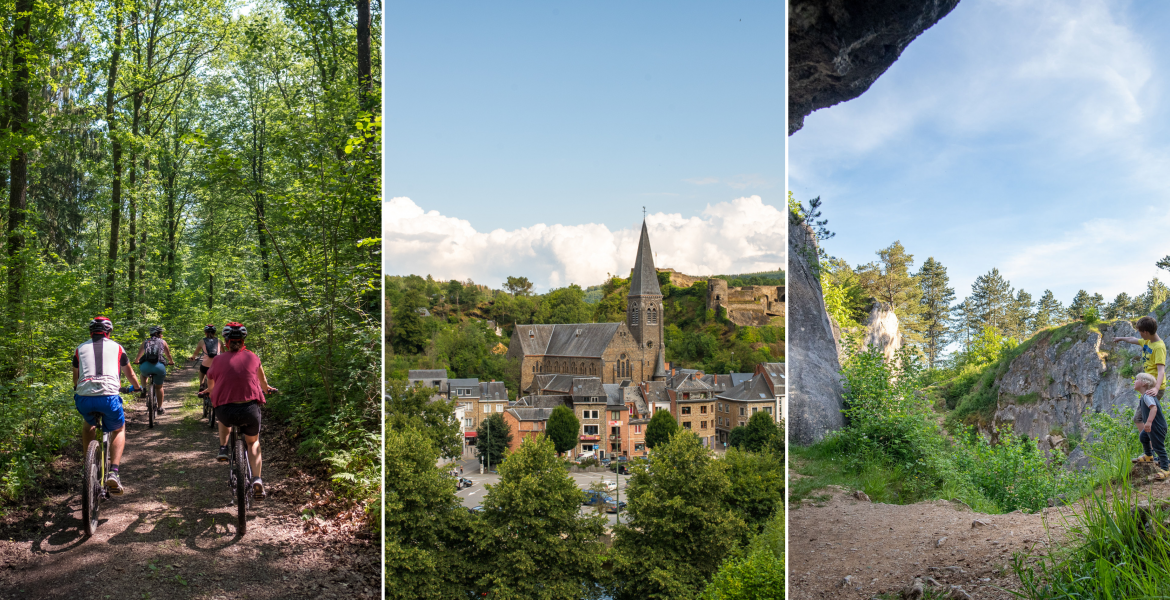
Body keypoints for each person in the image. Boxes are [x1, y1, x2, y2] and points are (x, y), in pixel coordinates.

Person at [203, 322, 275, 497]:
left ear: (226, 341)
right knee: (253, 442)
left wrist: (209, 392)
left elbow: (210, 382)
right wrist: (268, 389)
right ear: (243, 341)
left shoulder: (218, 360)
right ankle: (257, 479)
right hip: (250, 410)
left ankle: (223, 447)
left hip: (226, 411)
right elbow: (263, 383)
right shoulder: (253, 357)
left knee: (221, 411)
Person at [73, 316, 142, 494]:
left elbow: (75, 378)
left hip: (85, 398)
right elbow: (131, 374)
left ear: (91, 332)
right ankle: (114, 472)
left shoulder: (79, 348)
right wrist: (136, 387)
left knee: (88, 423)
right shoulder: (117, 347)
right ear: (108, 333)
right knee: (119, 429)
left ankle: (88, 465)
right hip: (109, 397)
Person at [1114, 315, 1167, 398]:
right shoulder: (1148, 341)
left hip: (1155, 387)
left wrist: (1156, 388)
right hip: (1148, 384)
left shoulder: (1159, 347)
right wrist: (1119, 338)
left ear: (1145, 332)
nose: (1139, 334)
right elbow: (1132, 339)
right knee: (1145, 409)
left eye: (1139, 331)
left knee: (1146, 410)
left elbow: (1161, 371)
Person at [1131, 373, 1169, 477]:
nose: (1134, 381)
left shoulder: (1147, 396)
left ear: (1144, 383)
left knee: (1158, 447)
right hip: (1153, 425)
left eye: (1137, 379)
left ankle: (1165, 469)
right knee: (1143, 437)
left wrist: (1148, 422)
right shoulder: (1144, 396)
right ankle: (1148, 455)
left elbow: (1154, 408)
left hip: (1156, 426)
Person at [134, 326, 175, 414]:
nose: (162, 335)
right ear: (157, 334)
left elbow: (139, 355)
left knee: (143, 374)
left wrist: (136, 361)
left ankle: (144, 388)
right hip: (159, 367)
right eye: (160, 333)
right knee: (159, 387)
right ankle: (160, 408)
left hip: (145, 366)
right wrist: (171, 362)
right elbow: (168, 355)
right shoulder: (163, 342)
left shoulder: (145, 342)